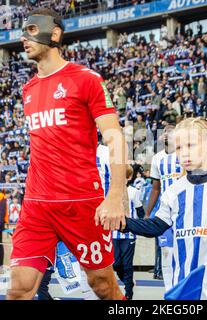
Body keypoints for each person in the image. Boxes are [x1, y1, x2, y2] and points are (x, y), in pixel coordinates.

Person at [8, 8, 127, 300]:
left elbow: (115, 138)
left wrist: (115, 195)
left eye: (33, 30)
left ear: (56, 33)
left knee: (102, 285)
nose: (24, 38)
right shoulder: (28, 89)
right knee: (19, 289)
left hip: (81, 202)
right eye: (23, 32)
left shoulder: (86, 79)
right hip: (37, 205)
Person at [119, 117, 207, 300]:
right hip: (183, 286)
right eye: (179, 148)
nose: (184, 153)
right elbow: (156, 226)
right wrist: (123, 223)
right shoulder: (174, 190)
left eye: (190, 145)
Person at [146, 124, 184, 290]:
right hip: (165, 212)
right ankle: (169, 290)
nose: (167, 133)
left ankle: (183, 286)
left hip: (184, 210)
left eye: (171, 130)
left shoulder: (184, 154)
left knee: (183, 251)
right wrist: (148, 213)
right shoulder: (157, 159)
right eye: (165, 131)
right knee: (166, 252)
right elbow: (156, 188)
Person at [112, 166, 145, 300]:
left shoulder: (133, 192)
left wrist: (138, 223)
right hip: (114, 233)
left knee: (127, 264)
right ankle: (128, 282)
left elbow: (140, 211)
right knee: (115, 263)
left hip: (129, 233)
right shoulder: (111, 192)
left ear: (129, 178)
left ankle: (128, 293)